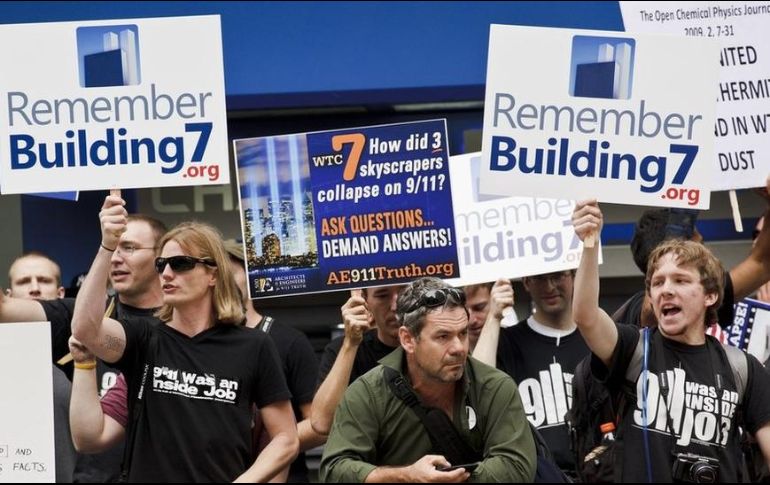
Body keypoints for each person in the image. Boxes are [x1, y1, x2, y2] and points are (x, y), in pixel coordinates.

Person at [71, 195, 298, 482]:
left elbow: (286, 438)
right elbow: (85, 329)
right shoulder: (145, 337)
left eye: (180, 264)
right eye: (161, 264)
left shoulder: (253, 345)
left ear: (213, 275)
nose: (166, 274)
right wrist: (107, 246)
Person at [571, 199, 770, 482]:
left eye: (680, 280)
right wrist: (589, 244)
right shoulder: (633, 349)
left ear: (710, 295)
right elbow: (585, 316)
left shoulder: (743, 369)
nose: (666, 290)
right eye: (658, 282)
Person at [320, 277, 536, 482]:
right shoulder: (369, 392)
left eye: (462, 333)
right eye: (443, 336)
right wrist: (405, 476)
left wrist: (449, 478)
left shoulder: (494, 386)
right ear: (408, 339)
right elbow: (334, 470)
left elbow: (516, 467)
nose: (459, 348)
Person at [224, 240, 324, 482]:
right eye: (216, 276)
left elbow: (318, 424)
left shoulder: (289, 341)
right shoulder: (204, 344)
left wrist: (274, 444)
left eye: (230, 274)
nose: (223, 283)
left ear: (250, 278)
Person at [615, 175, 770, 328]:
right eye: (699, 249)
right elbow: (650, 312)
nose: (708, 255)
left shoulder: (702, 293)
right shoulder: (634, 314)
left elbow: (762, 262)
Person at [473, 270, 589, 475]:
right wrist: (493, 316)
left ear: (573, 276)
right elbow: (477, 386)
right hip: (534, 474)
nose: (550, 286)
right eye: (540, 279)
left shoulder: (594, 337)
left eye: (558, 276)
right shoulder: (508, 342)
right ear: (526, 282)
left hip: (594, 471)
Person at [7, 251, 76, 483]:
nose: (35, 288)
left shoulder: (89, 344)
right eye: (24, 281)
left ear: (61, 293)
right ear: (8, 296)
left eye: (44, 280)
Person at [311, 284, 404, 436]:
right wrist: (351, 342)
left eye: (405, 292)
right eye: (382, 296)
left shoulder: (438, 343)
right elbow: (322, 423)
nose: (395, 306)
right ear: (366, 302)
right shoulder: (346, 348)